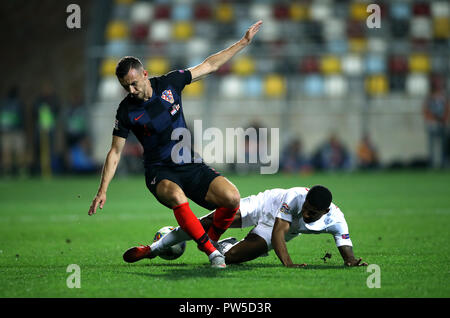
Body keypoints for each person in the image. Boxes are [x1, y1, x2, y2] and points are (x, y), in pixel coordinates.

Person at [89, 21, 263, 269]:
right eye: (125, 85)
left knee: (232, 198)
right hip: (160, 172)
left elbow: (210, 65)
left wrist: (243, 43)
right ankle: (212, 252)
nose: (131, 89)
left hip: (189, 163)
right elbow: (115, 152)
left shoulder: (171, 83)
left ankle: (208, 240)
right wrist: (102, 190)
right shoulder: (126, 111)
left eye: (134, 82)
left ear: (145, 74)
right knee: (177, 196)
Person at [123, 185, 368, 268]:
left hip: (278, 229)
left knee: (229, 259)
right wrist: (289, 264)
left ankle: (226, 245)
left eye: (311, 213)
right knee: (207, 223)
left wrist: (351, 260)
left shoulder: (336, 219)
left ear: (325, 212)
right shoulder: (294, 196)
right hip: (263, 207)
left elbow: (345, 246)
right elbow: (279, 231)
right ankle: (153, 249)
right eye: (305, 208)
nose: (305, 213)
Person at [423, 85, 449, 169]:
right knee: (431, 145)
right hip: (432, 124)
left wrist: (444, 120)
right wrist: (435, 119)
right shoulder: (429, 100)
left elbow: (447, 110)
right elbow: (425, 111)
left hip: (442, 124)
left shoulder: (443, 100)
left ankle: (443, 162)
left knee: (444, 145)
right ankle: (432, 163)